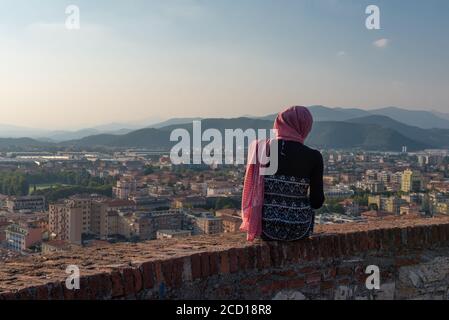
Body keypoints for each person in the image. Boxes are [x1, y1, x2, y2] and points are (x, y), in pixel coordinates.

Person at [240, 106, 325, 241]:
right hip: (300, 228)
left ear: (278, 123)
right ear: (306, 126)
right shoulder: (314, 156)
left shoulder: (261, 149)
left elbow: (249, 187)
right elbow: (317, 202)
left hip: (265, 226)